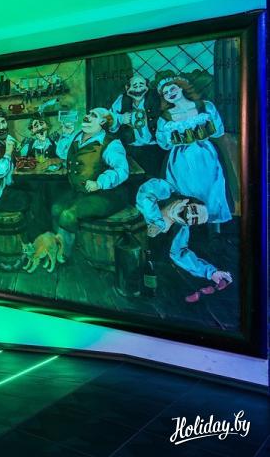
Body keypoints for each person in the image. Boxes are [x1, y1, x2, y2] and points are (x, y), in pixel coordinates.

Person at [136, 177, 233, 302]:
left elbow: (180, 254)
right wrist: (157, 221)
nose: (190, 216)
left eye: (194, 220)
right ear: (187, 201)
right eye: (194, 210)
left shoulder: (181, 229)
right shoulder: (168, 191)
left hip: (140, 265)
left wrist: (211, 272)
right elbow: (145, 193)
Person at [52, 107, 130, 254]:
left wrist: (99, 183)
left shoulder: (111, 143)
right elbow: (62, 153)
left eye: (93, 115)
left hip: (106, 195)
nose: (87, 116)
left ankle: (76, 252)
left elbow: (122, 170)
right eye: (88, 113)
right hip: (81, 192)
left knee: (68, 215)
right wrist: (66, 134)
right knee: (56, 208)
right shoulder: (77, 136)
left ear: (103, 122)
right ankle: (62, 247)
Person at [154, 75, 230, 223]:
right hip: (181, 160)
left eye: (172, 89)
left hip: (206, 156)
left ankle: (215, 226)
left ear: (181, 87)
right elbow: (164, 144)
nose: (170, 93)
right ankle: (190, 226)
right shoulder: (165, 118)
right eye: (165, 93)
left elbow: (218, 131)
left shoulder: (205, 106)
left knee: (212, 188)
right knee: (186, 190)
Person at [109, 73, 163, 176]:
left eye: (141, 85)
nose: (138, 90)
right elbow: (108, 118)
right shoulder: (122, 100)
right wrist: (120, 118)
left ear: (147, 86)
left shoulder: (154, 98)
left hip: (154, 147)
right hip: (131, 148)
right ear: (127, 88)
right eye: (135, 86)